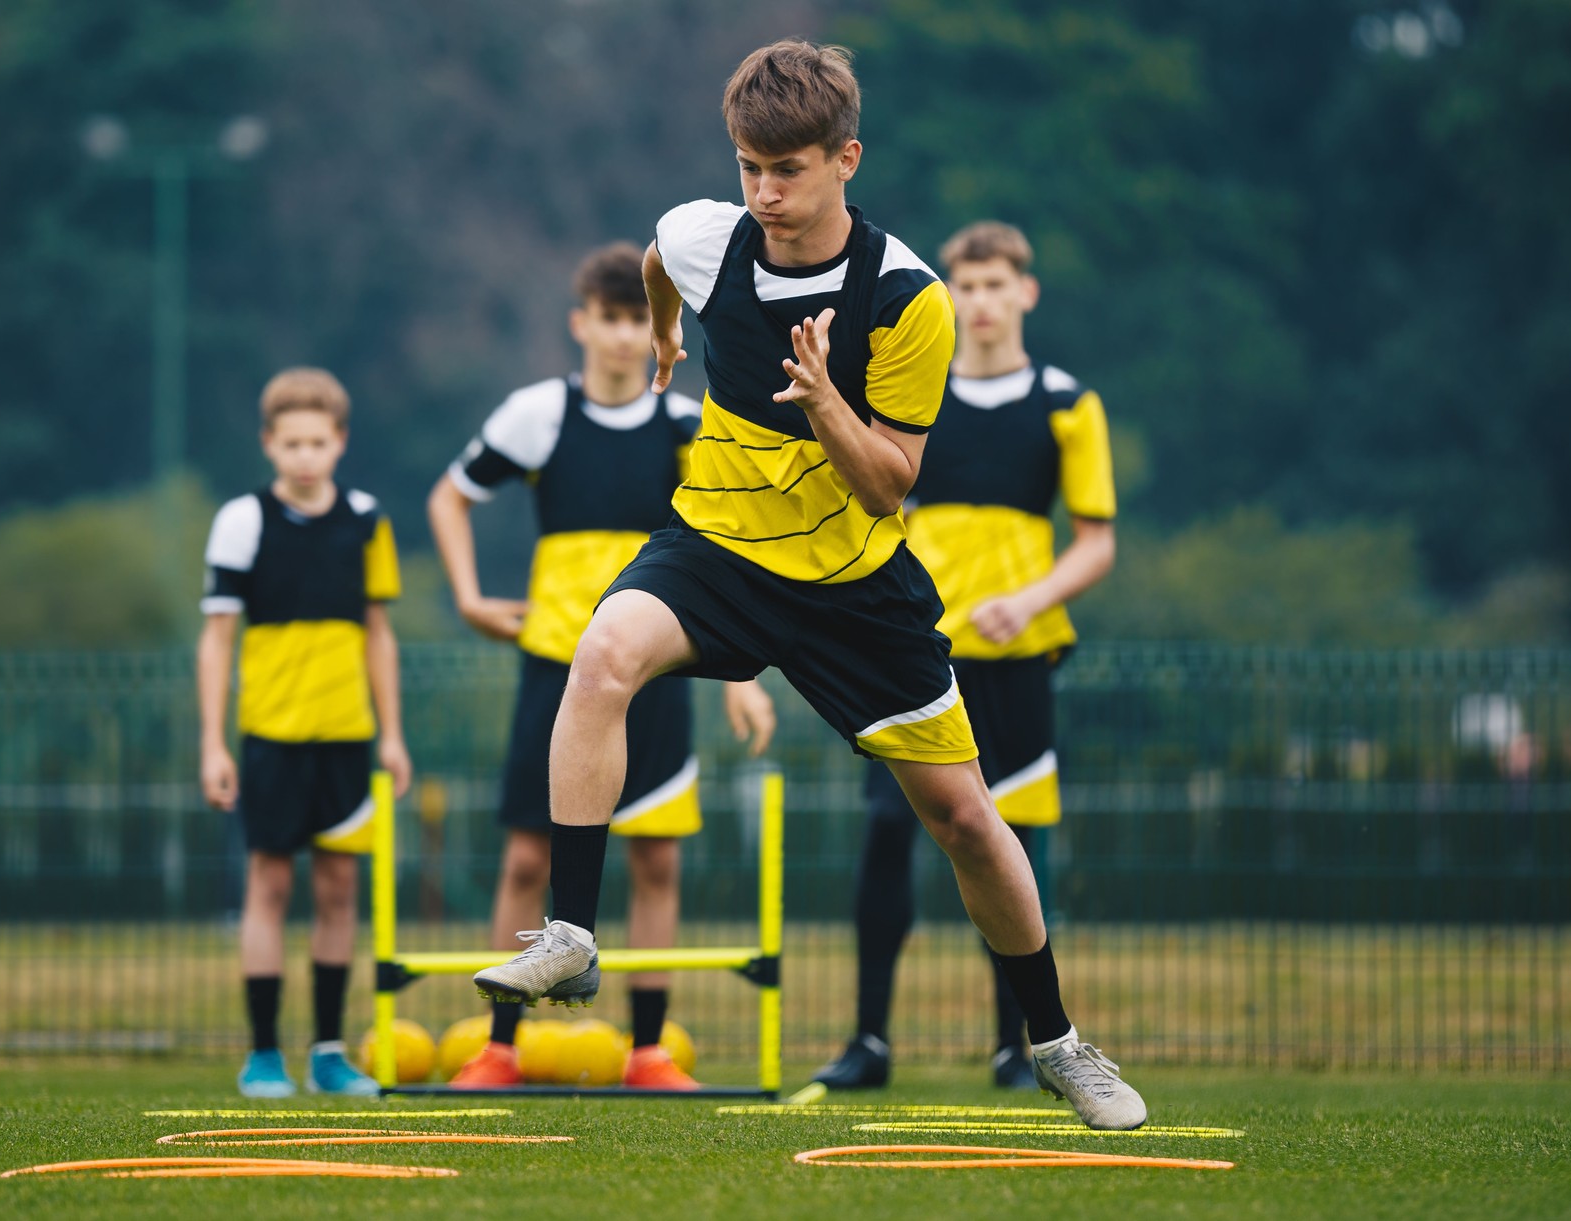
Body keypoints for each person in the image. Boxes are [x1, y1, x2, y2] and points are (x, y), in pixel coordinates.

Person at [472, 40, 1145, 1128]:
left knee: (968, 820)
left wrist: (827, 397)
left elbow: (889, 488)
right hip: (719, 546)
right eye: (748, 167)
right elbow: (657, 256)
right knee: (600, 657)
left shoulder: (907, 300)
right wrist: (662, 335)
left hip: (852, 582)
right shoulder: (705, 237)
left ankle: (1059, 1042)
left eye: (787, 169)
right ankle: (572, 936)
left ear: (847, 158)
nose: (765, 193)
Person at [429, 243, 776, 1090]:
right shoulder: (538, 414)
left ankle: (649, 1051)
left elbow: (734, 544)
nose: (625, 337)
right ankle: (500, 1048)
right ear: (581, 323)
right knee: (523, 859)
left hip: (659, 668)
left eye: (638, 319)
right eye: (611, 319)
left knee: (657, 860)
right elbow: (451, 496)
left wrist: (745, 675)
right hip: (554, 664)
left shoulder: (687, 423)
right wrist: (472, 598)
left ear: (661, 327)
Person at [813, 220, 1118, 1091]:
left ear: (1025, 292)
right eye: (967, 286)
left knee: (1006, 839)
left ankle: (1016, 1046)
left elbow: (1096, 543)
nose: (980, 302)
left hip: (1020, 658)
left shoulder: (1066, 403)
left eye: (996, 285)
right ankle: (867, 1041)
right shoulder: (914, 389)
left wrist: (1027, 602)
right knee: (884, 831)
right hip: (907, 648)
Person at [196, 367, 413, 1098]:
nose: (305, 455)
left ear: (340, 442)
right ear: (268, 444)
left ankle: (328, 1051)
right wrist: (213, 742)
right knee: (268, 882)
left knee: (338, 888)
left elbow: (379, 633)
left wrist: (392, 733)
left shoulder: (366, 519)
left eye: (317, 441)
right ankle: (263, 1053)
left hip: (347, 737)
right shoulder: (241, 521)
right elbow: (216, 641)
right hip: (270, 737)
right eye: (291, 442)